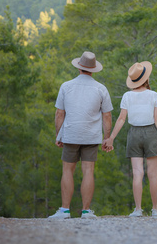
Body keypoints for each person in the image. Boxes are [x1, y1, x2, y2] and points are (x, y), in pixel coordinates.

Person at [48, 51, 113, 219]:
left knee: (68, 170)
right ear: (93, 70)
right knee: (88, 171)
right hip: (91, 136)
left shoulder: (66, 86)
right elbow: (107, 116)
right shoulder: (101, 88)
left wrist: (58, 135)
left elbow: (59, 114)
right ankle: (86, 211)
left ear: (79, 68)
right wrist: (107, 138)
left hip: (71, 134)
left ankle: (64, 210)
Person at [103, 61, 157, 217]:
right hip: (151, 133)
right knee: (153, 174)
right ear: (146, 78)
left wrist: (111, 137)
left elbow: (121, 119)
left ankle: (138, 210)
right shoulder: (154, 95)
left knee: (137, 173)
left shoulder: (127, 96)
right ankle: (155, 209)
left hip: (134, 134)